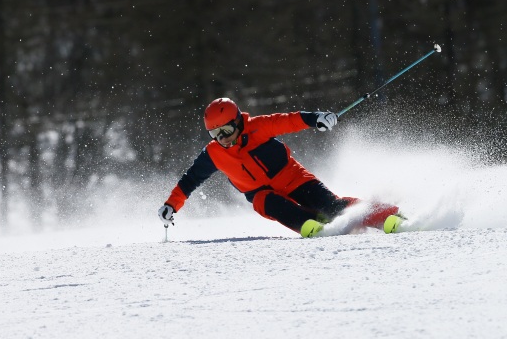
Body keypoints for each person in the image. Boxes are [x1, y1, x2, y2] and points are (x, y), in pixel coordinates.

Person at [157, 98, 401, 237]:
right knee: (274, 205)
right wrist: (171, 205)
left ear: (238, 122)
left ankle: (386, 216)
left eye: (226, 131)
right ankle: (312, 225)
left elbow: (288, 120)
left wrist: (315, 119)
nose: (223, 139)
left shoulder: (258, 127)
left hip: (293, 177)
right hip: (261, 194)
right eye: (215, 134)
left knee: (332, 206)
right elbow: (190, 180)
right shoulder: (214, 153)